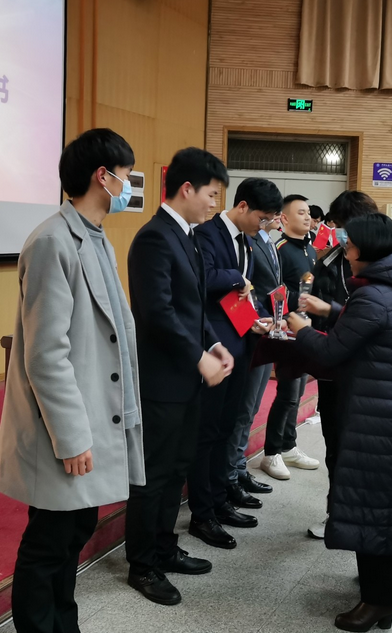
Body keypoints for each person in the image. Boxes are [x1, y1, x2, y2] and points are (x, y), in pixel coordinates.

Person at [0, 129, 146, 633]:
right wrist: (73, 437)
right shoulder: (51, 241)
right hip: (64, 427)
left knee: (75, 528)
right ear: (103, 176)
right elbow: (45, 355)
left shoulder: (95, 237)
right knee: (50, 539)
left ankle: (64, 623)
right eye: (126, 176)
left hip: (95, 413)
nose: (129, 187)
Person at [287, 213, 392, 632]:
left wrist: (300, 329)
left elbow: (332, 353)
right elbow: (366, 326)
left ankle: (378, 601)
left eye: (348, 246)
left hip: (377, 417)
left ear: (364, 250)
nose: (344, 252)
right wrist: (332, 309)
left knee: (373, 507)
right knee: (384, 504)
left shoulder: (372, 295)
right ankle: (385, 587)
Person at [124, 148, 234, 606]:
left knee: (177, 468)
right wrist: (197, 357)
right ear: (187, 189)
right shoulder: (154, 237)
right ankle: (142, 564)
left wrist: (213, 344)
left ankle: (165, 548)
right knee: (153, 474)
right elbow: (158, 313)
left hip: (186, 378)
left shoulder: (187, 235)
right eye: (212, 194)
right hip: (162, 379)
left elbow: (194, 308)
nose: (215, 204)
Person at [190, 177, 283, 545]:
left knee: (227, 427)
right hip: (215, 348)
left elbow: (244, 294)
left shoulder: (246, 238)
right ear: (243, 206)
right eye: (263, 218)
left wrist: (255, 318)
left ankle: (219, 499)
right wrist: (236, 278)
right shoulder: (207, 234)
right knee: (207, 432)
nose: (265, 225)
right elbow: (204, 279)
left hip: (242, 342)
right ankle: (202, 513)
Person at [304, 190, 379, 539]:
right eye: (338, 226)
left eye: (346, 226)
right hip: (333, 367)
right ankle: (336, 511)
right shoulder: (329, 261)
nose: (341, 233)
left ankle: (360, 514)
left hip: (365, 374)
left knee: (363, 448)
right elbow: (321, 307)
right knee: (334, 443)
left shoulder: (381, 265)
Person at [259, 194, 319, 481]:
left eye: (308, 213)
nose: (308, 217)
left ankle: (289, 445)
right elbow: (275, 291)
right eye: (301, 213)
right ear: (284, 218)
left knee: (298, 392)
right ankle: (271, 453)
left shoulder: (311, 249)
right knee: (287, 393)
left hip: (306, 328)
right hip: (286, 327)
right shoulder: (279, 249)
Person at [226, 212, 283, 504]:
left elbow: (261, 291)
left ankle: (239, 467)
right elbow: (241, 290)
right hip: (244, 331)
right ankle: (231, 474)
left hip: (265, 326)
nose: (275, 218)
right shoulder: (242, 240)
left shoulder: (267, 242)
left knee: (252, 408)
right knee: (243, 408)